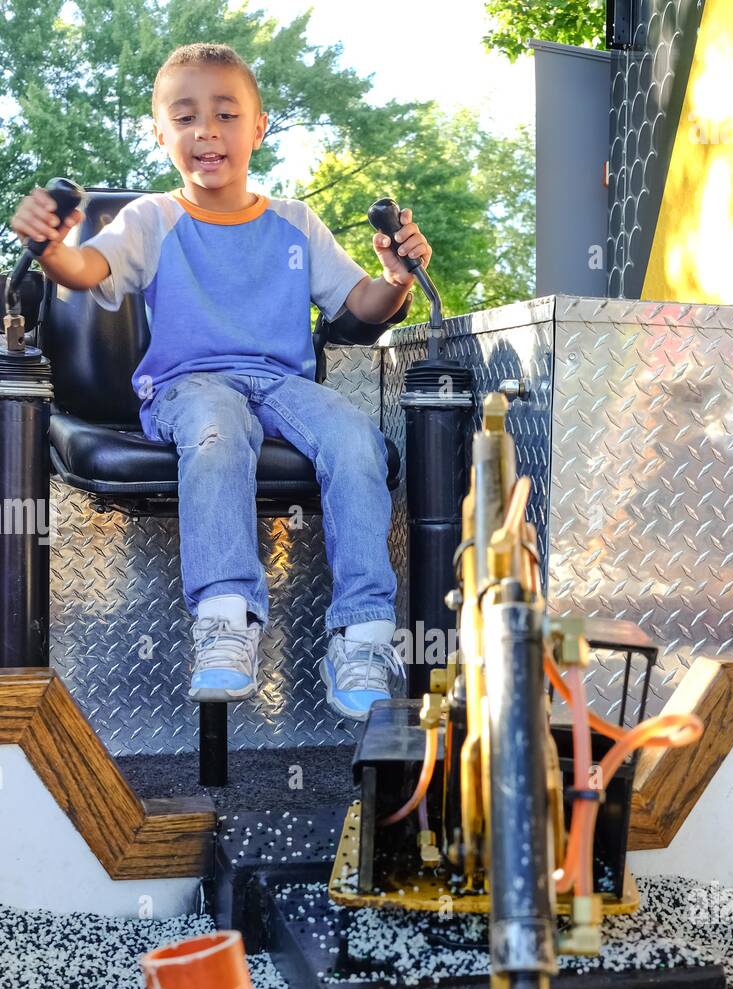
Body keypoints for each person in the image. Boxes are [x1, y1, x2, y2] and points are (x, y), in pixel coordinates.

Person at [10, 41, 432, 720]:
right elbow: (88, 273)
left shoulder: (295, 221)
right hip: (190, 385)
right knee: (216, 431)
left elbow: (359, 305)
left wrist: (393, 277)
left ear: (258, 127)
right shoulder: (154, 218)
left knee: (356, 439)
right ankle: (226, 619)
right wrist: (53, 248)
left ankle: (362, 634)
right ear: (161, 134)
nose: (205, 130)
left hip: (281, 384)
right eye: (184, 117)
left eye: (225, 114)